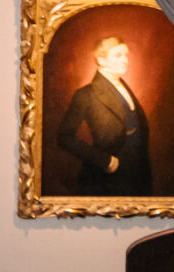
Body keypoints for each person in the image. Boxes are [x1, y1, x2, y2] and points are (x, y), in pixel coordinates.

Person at [54, 36, 152, 194]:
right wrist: (104, 160)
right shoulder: (85, 94)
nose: (125, 60)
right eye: (118, 55)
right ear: (101, 59)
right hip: (108, 175)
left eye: (126, 55)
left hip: (137, 171)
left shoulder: (124, 86)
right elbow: (64, 137)